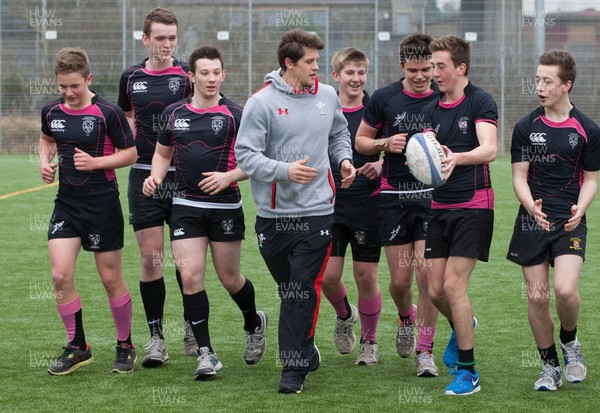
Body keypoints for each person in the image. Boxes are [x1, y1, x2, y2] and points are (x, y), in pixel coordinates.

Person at [235, 28, 356, 393]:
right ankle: (305, 348)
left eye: (318, 60)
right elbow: (246, 156)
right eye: (310, 62)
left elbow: (339, 134)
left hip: (318, 212)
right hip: (273, 219)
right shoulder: (261, 104)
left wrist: (344, 160)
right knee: (289, 289)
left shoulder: (329, 96)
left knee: (298, 290)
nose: (317, 67)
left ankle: (293, 369)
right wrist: (284, 171)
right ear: (289, 64)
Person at [143, 46, 267, 380]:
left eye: (216, 73)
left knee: (230, 279)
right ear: (191, 76)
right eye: (204, 73)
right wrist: (155, 176)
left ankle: (254, 322)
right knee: (191, 276)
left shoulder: (237, 114)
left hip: (226, 206)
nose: (211, 79)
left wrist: (229, 176)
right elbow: (161, 153)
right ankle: (206, 353)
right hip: (185, 206)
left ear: (223, 75)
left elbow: (256, 160)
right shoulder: (174, 113)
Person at [39, 47, 138, 375]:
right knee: (59, 275)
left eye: (74, 86)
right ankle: (78, 346)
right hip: (66, 205)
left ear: (88, 79)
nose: (68, 93)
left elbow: (131, 154)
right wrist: (44, 161)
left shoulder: (107, 112)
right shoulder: (51, 111)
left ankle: (125, 344)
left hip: (102, 205)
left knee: (111, 279)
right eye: (62, 87)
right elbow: (46, 138)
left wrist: (96, 163)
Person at [507, 49, 600, 391]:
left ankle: (570, 343)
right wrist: (531, 206)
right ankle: (549, 367)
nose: (540, 87)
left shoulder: (587, 129)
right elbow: (519, 176)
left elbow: (591, 180)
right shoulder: (525, 126)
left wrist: (581, 207)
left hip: (570, 221)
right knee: (537, 297)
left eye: (548, 81)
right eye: (537, 80)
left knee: (564, 289)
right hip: (533, 220)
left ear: (566, 85)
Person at [355, 34, 440, 376]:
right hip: (393, 198)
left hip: (433, 198)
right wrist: (385, 142)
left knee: (427, 277)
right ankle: (406, 316)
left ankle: (425, 350)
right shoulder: (384, 98)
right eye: (414, 69)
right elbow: (361, 142)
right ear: (401, 65)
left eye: (427, 69)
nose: (421, 77)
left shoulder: (444, 98)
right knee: (400, 283)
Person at [118, 7, 196, 366]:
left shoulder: (186, 77)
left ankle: (193, 329)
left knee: (185, 262)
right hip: (144, 176)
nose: (167, 44)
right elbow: (127, 122)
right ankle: (155, 339)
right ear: (146, 39)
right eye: (160, 38)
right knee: (151, 259)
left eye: (172, 38)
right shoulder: (130, 77)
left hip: (182, 177)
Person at [420, 35, 497, 395]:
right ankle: (466, 323)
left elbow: (490, 149)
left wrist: (457, 158)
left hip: (474, 205)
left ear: (460, 68)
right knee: (435, 290)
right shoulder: (432, 109)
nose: (434, 73)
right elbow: (428, 155)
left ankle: (469, 372)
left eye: (441, 67)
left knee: (453, 286)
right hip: (440, 206)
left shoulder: (479, 100)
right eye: (433, 66)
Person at [323, 47, 383, 366]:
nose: (356, 78)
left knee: (365, 276)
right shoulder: (323, 108)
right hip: (329, 205)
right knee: (329, 276)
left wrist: (382, 166)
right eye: (350, 72)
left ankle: (369, 342)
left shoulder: (377, 110)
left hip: (367, 205)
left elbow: (401, 151)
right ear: (336, 76)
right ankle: (345, 315)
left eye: (361, 72)